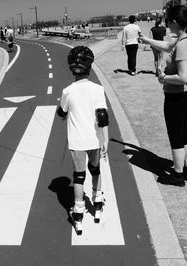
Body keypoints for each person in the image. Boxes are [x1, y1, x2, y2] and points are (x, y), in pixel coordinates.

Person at [139, 5, 187, 186]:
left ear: (174, 22)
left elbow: (183, 76)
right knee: (185, 132)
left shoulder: (183, 45)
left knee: (175, 136)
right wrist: (148, 40)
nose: (166, 24)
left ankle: (178, 174)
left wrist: (164, 78)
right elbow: (167, 46)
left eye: (167, 21)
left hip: (177, 97)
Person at [56, 46, 109, 235]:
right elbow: (102, 116)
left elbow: (62, 113)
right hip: (94, 139)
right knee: (95, 171)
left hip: (77, 141)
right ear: (90, 66)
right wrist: (105, 140)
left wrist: (63, 111)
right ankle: (97, 202)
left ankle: (78, 212)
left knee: (79, 176)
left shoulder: (67, 91)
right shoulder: (98, 89)